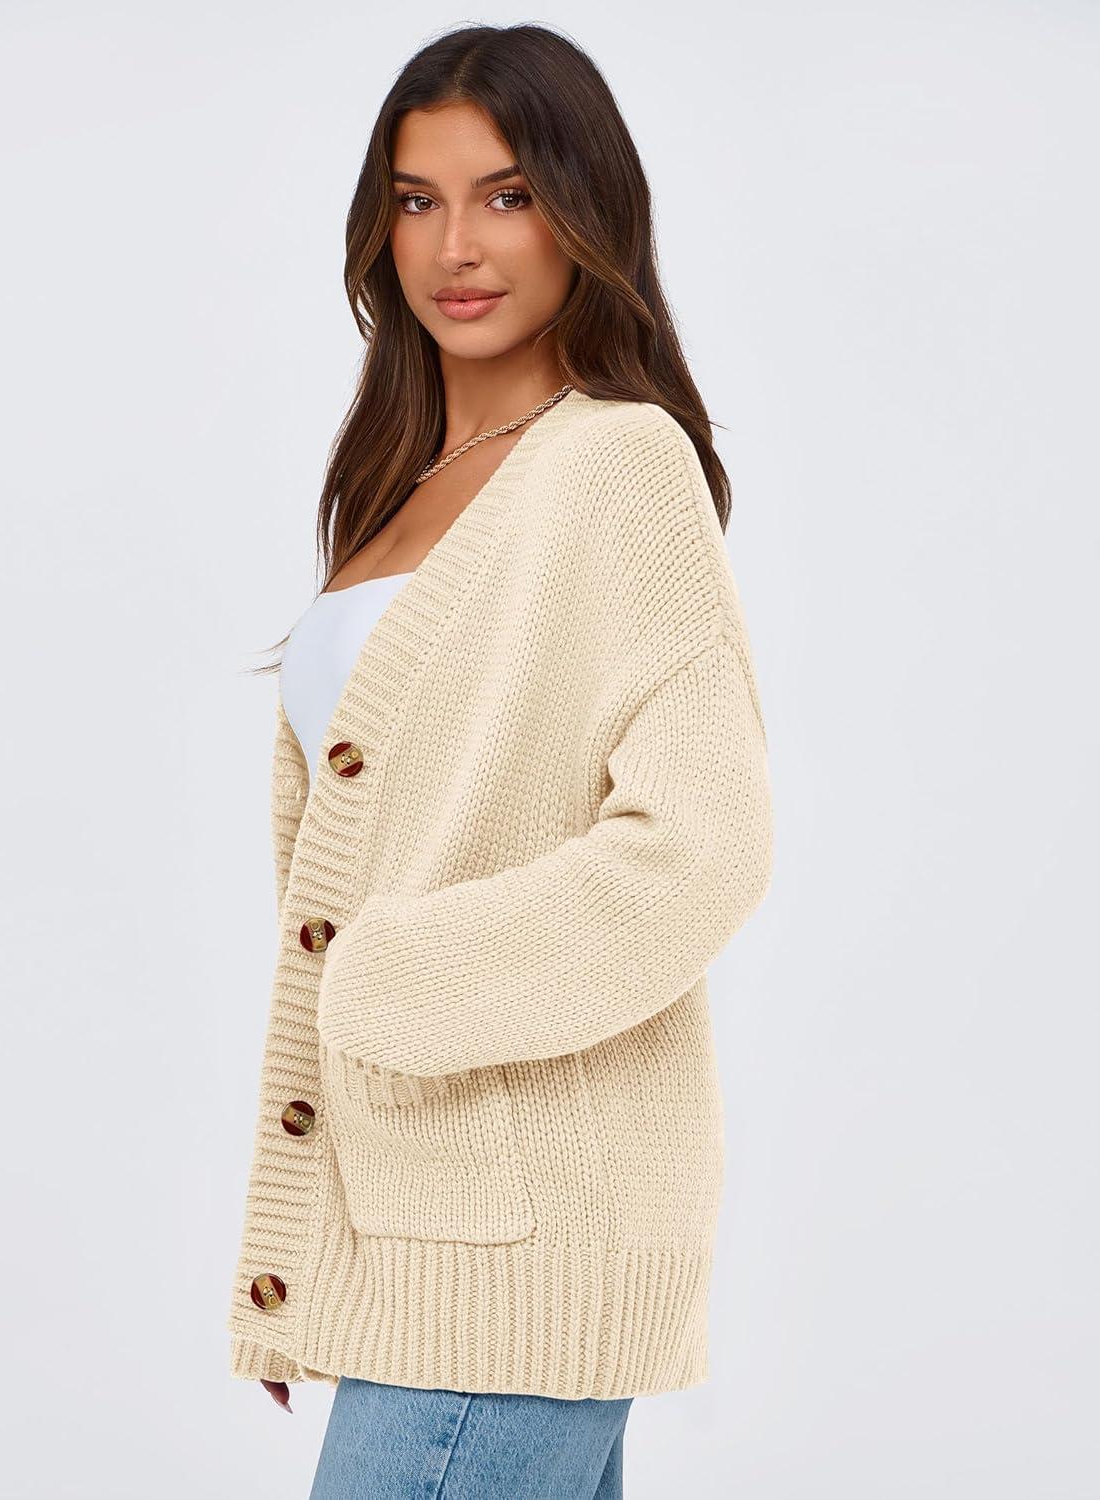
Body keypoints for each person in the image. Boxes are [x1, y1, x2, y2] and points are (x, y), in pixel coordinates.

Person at [230, 23, 774, 1499]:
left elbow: (701, 846)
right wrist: (310, 1259)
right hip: (417, 1235)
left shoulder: (617, 462)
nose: (455, 245)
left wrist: (393, 979)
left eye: (508, 194)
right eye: (417, 200)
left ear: (586, 212)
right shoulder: (398, 490)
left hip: (521, 1240)